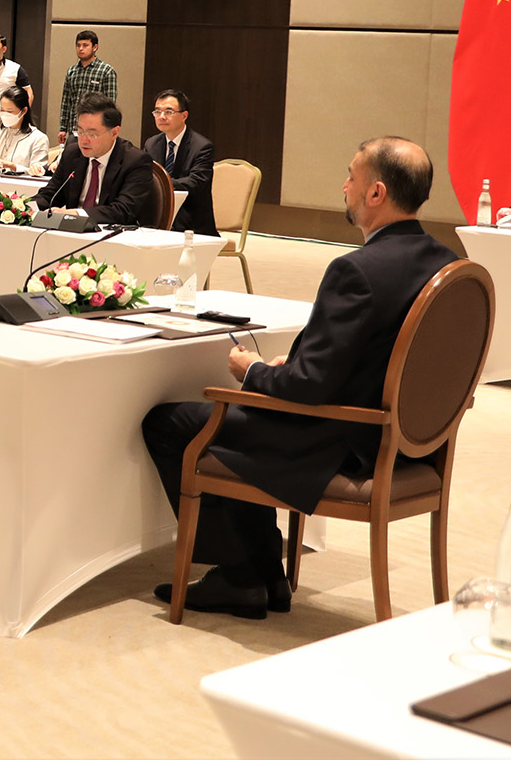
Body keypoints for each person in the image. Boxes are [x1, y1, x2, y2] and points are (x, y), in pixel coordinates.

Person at [142, 137, 458, 618]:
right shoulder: (448, 263)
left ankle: (240, 576)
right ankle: (264, 570)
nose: (344, 186)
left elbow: (308, 388)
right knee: (239, 420)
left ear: (376, 193)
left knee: (174, 423)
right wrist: (290, 370)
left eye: (351, 176)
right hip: (410, 441)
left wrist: (253, 370)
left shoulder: (357, 270)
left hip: (342, 441)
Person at [35, 95, 158, 225]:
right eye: (80, 132)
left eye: (92, 134)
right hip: (72, 230)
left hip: (114, 232)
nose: (84, 140)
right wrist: (24, 207)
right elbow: (49, 195)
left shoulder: (136, 161)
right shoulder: (72, 154)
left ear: (114, 133)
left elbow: (123, 210)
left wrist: (76, 214)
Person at [143, 88, 217, 236]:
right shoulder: (151, 144)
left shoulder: (202, 147)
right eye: (157, 112)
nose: (161, 117)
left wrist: (162, 184)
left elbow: (195, 182)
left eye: (168, 112)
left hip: (191, 223)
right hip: (157, 219)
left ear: (184, 116)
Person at [57, 30, 118, 144]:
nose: (81, 49)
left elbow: (110, 104)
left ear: (95, 47)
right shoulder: (72, 71)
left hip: (96, 130)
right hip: (74, 129)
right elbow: (66, 102)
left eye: (85, 45)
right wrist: (63, 128)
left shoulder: (106, 71)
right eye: (78, 45)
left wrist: (107, 128)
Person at [0, 85, 49, 174]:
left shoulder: (38, 139)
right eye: (2, 110)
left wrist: (12, 166)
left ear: (24, 111)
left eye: (9, 111)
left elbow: (38, 173)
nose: (5, 114)